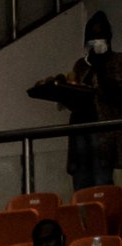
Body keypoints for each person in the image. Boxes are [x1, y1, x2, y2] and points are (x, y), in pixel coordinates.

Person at [32, 12, 122, 191]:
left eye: (100, 36)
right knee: (81, 182)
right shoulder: (81, 65)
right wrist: (61, 91)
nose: (96, 42)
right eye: (92, 37)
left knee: (101, 180)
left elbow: (117, 94)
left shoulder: (117, 61)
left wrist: (100, 67)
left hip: (103, 131)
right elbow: (75, 93)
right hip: (80, 127)